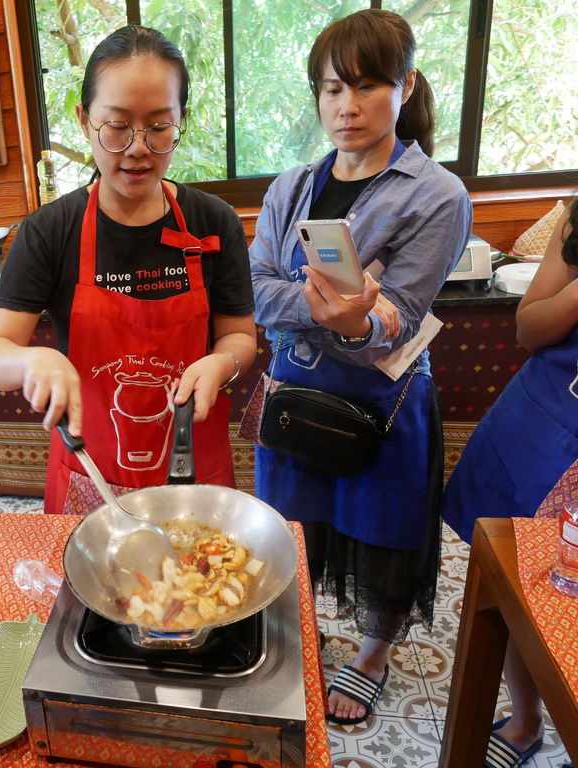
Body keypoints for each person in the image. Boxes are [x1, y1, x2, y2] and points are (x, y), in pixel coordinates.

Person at [249, 9, 471, 725]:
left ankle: (373, 653)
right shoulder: (290, 187)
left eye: (368, 86)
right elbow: (253, 288)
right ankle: (293, 636)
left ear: (404, 87)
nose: (345, 106)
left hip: (384, 403)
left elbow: (397, 313)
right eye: (331, 88)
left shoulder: (436, 194)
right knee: (295, 527)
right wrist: (325, 311)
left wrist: (362, 318)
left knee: (382, 532)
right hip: (294, 394)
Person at [0, 26, 256, 515]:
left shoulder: (214, 221)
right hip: (91, 473)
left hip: (191, 465)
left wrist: (221, 364)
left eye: (159, 125)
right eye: (118, 125)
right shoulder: (51, 229)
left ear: (180, 122)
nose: (138, 147)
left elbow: (240, 338)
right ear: (85, 121)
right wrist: (32, 361)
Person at [442, 200, 578, 768]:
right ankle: (525, 718)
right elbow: (528, 325)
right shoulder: (577, 217)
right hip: (541, 426)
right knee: (510, 578)